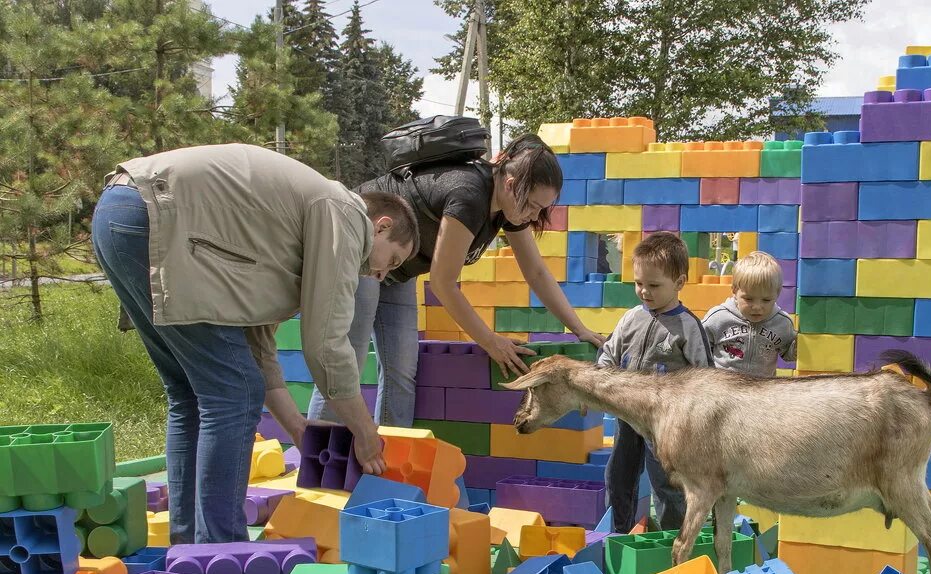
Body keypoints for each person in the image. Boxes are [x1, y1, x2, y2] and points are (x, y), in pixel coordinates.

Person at [91, 143, 417, 545]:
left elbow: (259, 350)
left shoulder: (283, 231)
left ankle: (190, 547)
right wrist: (365, 432)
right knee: (233, 392)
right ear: (381, 226)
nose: (383, 275)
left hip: (118, 211)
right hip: (157, 216)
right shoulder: (345, 213)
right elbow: (326, 346)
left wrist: (297, 427)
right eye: (394, 262)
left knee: (192, 392)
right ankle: (222, 552)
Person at [307, 134, 605, 427]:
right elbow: (443, 283)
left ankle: (390, 457)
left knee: (402, 369)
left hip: (399, 271)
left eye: (541, 209)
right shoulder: (469, 194)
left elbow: (536, 272)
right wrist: (490, 342)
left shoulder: (508, 209)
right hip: (365, 251)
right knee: (348, 362)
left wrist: (580, 329)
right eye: (532, 205)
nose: (534, 214)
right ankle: (318, 463)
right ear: (511, 184)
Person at [597, 232, 713, 534]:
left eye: (654, 285)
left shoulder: (688, 326)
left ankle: (674, 538)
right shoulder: (631, 318)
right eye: (639, 284)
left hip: (666, 425)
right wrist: (598, 385)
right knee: (618, 476)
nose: (644, 292)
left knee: (667, 484)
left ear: (679, 283)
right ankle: (616, 534)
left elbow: (706, 377)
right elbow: (609, 354)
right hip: (627, 416)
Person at [702, 251, 798, 378]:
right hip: (724, 388)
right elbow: (699, 346)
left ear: (777, 294)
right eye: (748, 299)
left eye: (766, 300)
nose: (757, 307)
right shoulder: (719, 318)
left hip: (762, 390)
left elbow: (788, 354)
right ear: (735, 291)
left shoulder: (781, 322)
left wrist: (797, 348)